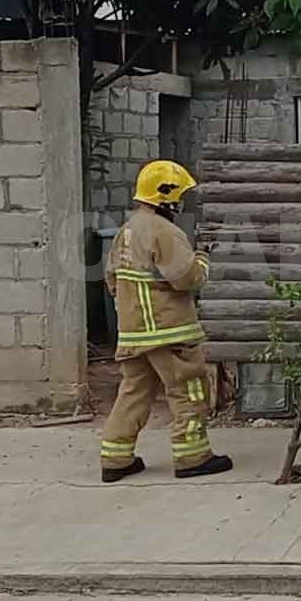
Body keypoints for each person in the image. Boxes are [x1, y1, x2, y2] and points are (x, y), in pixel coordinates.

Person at [100, 160, 233, 483]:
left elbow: (111, 278)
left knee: (134, 392)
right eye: (180, 195)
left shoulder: (126, 231)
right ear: (167, 196)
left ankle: (115, 459)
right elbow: (187, 278)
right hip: (169, 332)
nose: (181, 202)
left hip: (133, 334)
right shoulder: (164, 231)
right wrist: (203, 259)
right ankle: (193, 458)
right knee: (188, 390)